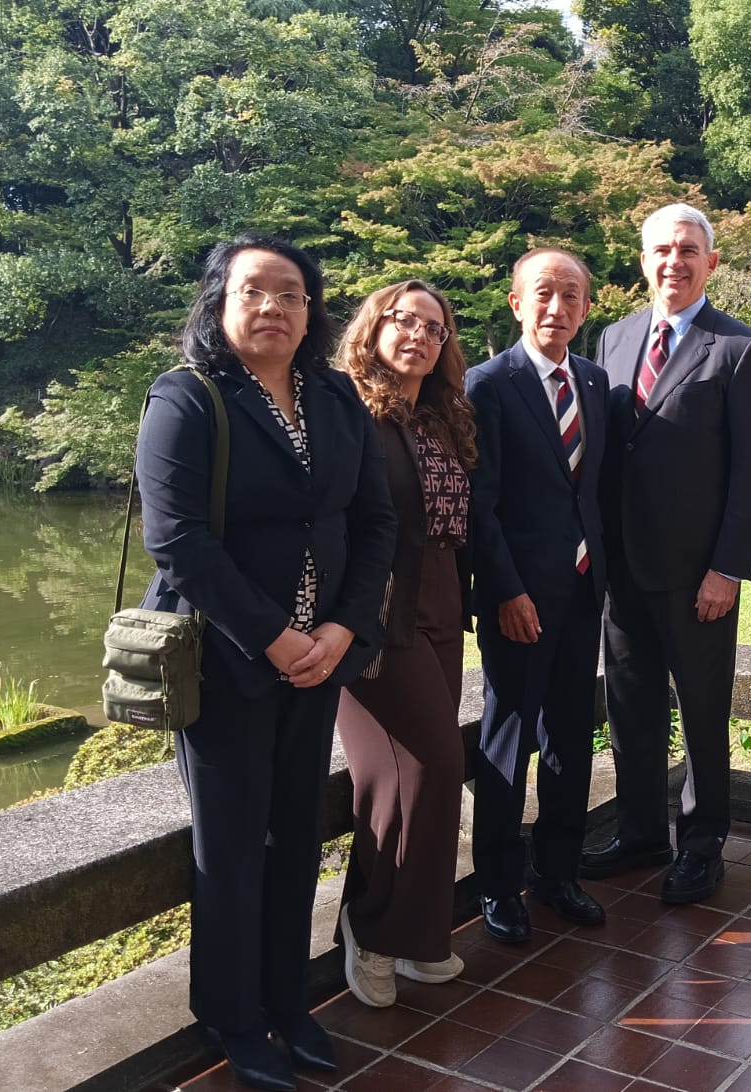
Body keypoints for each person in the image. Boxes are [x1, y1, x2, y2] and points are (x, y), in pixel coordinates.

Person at [137, 235, 395, 1092]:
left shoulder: (333, 396)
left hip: (318, 661)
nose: (274, 308)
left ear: (312, 311)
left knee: (296, 841)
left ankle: (288, 1000)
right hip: (227, 663)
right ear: (219, 303)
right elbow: (179, 542)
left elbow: (374, 521)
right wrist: (276, 637)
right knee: (232, 846)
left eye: (292, 293)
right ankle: (231, 1016)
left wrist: (343, 631)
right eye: (254, 291)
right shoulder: (188, 398)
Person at [581, 203, 751, 905]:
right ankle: (638, 832)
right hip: (622, 571)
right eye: (661, 249)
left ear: (711, 262)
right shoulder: (614, 338)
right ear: (643, 261)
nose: (675, 260)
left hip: (698, 575)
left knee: (700, 712)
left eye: (689, 249)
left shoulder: (739, 347)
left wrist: (728, 568)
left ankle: (700, 845)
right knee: (630, 707)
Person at [334, 280, 476, 1008]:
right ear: (373, 327)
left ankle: (415, 935)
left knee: (409, 778)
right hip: (377, 610)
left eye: (435, 327)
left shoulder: (441, 415)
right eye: (403, 320)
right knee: (434, 763)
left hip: (443, 602)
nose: (420, 334)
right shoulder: (345, 408)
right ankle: (373, 927)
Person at [466, 249, 610, 944]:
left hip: (582, 592)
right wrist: (506, 590)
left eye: (572, 295)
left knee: (570, 742)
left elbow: (593, 491)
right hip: (518, 599)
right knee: (508, 739)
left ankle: (558, 872)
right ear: (517, 303)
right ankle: (498, 883)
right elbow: (479, 505)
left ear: (588, 306)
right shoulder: (488, 385)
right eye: (544, 294)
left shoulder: (594, 380)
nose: (558, 307)